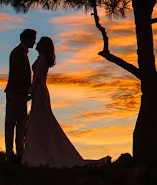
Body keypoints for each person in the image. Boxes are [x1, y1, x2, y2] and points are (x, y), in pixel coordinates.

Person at [22, 36, 109, 167]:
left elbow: (38, 79)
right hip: (39, 93)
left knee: (40, 121)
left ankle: (40, 155)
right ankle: (40, 152)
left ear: (44, 46)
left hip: (39, 93)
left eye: (39, 42)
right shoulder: (41, 59)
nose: (37, 43)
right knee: (40, 122)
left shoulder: (42, 60)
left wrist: (29, 92)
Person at [5, 28, 36, 163]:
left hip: (20, 95)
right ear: (27, 39)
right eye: (33, 39)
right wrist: (24, 92)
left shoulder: (22, 53)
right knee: (12, 123)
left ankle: (19, 153)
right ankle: (10, 154)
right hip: (15, 94)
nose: (34, 41)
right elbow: (16, 76)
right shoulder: (17, 53)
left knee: (20, 124)